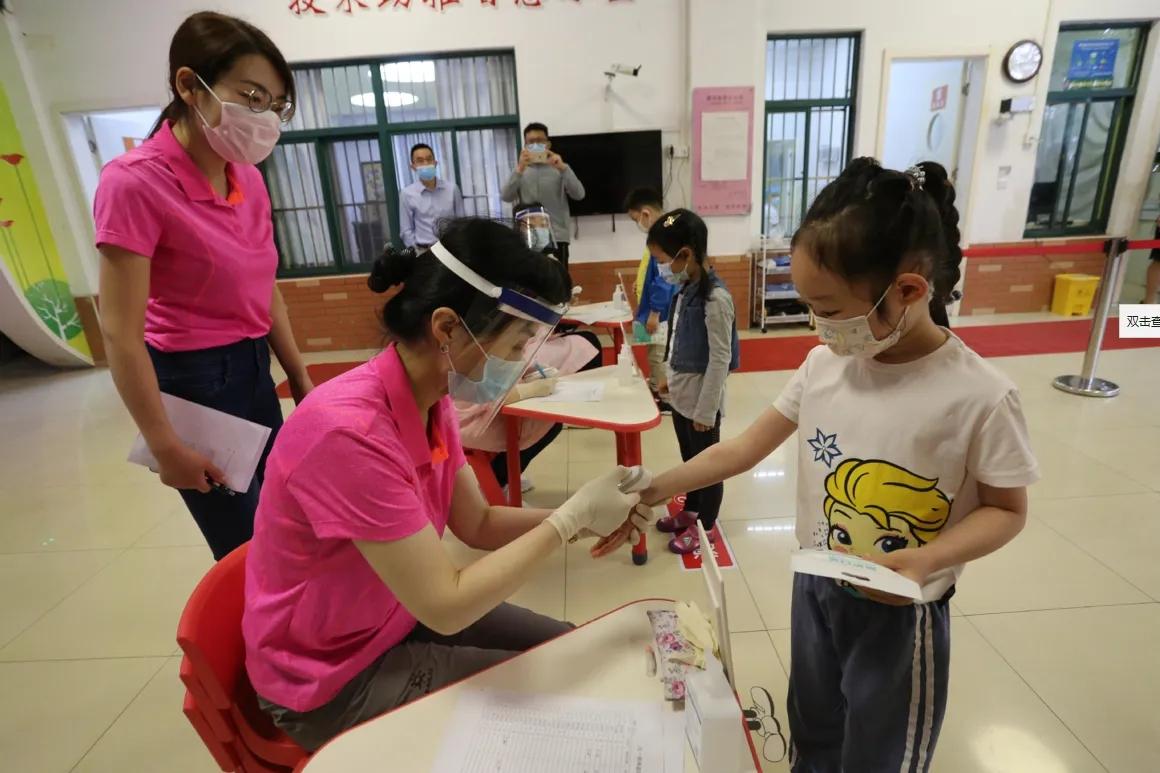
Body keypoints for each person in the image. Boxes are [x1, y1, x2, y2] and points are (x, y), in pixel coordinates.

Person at [599, 159, 1039, 771]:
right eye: (808, 306)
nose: (818, 325)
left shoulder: (979, 395)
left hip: (900, 613)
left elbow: (1006, 509)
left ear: (908, 291)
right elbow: (744, 447)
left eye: (830, 309)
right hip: (816, 587)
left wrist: (929, 559)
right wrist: (655, 488)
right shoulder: (822, 367)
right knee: (814, 728)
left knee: (880, 753)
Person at [243, 217, 651, 752]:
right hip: (332, 677)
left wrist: (586, 513)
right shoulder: (348, 433)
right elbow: (445, 605)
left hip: (392, 618)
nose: (522, 364)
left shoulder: (432, 403)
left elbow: (477, 523)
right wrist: (566, 520)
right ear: (447, 328)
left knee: (571, 649)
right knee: (554, 706)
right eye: (517, 343)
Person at [94, 12, 312, 561]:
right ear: (189, 85)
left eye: (274, 105)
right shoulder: (134, 183)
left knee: (283, 518)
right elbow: (120, 332)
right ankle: (254, 643)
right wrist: (166, 444)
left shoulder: (248, 179)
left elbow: (266, 288)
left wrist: (301, 378)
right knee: (245, 546)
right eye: (252, 96)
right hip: (193, 380)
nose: (264, 117)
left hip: (251, 364)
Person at [648, 209, 740, 554]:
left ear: (685, 254)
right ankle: (690, 512)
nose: (662, 268)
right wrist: (669, 380)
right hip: (683, 397)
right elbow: (678, 340)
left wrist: (706, 411)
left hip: (703, 403)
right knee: (691, 463)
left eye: (662, 260)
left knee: (709, 468)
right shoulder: (685, 289)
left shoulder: (716, 299)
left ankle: (707, 526)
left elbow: (720, 357)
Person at [501, 122, 585, 267]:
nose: (535, 145)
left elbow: (579, 194)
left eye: (540, 141)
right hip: (528, 236)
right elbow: (506, 196)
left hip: (557, 236)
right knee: (531, 284)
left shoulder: (560, 168)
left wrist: (563, 168)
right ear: (525, 146)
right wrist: (519, 170)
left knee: (559, 282)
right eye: (531, 142)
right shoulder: (521, 170)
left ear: (548, 144)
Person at [625, 187, 677, 410]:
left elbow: (665, 278)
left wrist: (655, 312)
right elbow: (652, 269)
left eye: (636, 219)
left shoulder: (665, 235)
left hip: (661, 311)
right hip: (655, 307)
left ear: (646, 213)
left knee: (659, 353)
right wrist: (640, 282)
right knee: (654, 350)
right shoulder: (662, 232)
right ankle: (657, 385)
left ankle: (666, 398)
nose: (638, 224)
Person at [398, 143, 464, 250]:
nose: (426, 163)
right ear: (413, 167)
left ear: (435, 163)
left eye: (429, 159)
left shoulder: (452, 189)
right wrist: (417, 251)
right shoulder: (406, 194)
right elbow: (406, 230)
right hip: (423, 251)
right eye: (420, 161)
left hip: (451, 249)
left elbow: (461, 223)